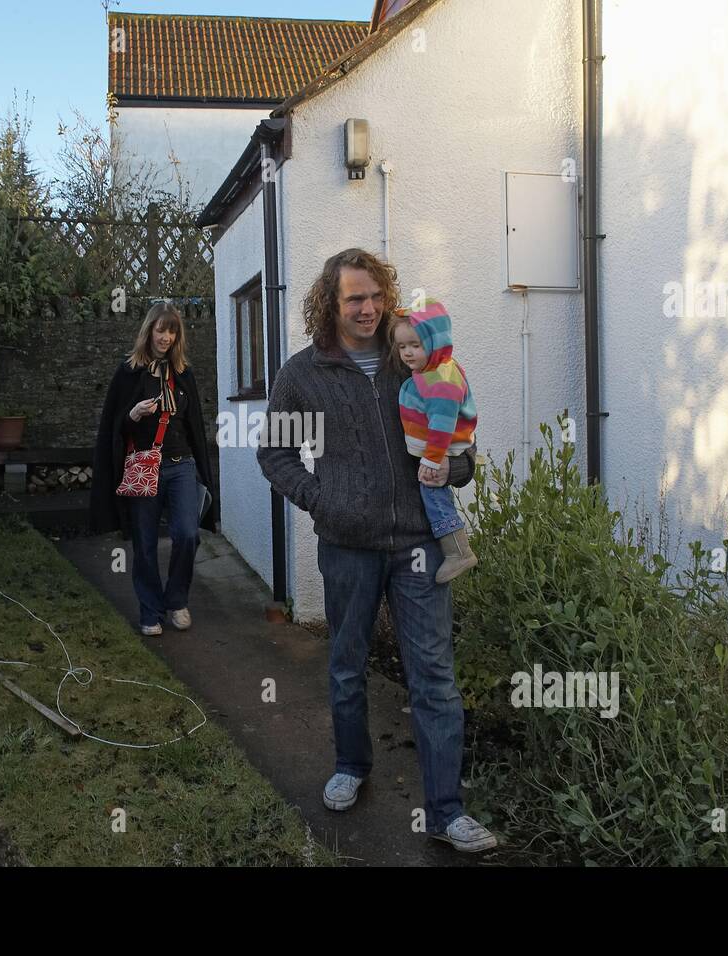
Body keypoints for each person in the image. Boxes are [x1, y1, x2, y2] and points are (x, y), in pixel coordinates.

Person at [256, 248, 496, 853]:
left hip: (420, 544)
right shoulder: (304, 373)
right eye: (353, 298)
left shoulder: (412, 360)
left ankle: (446, 812)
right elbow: (275, 454)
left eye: (375, 297)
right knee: (346, 664)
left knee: (435, 678)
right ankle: (352, 766)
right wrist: (321, 501)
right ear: (331, 305)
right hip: (348, 545)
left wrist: (458, 467)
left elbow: (458, 435)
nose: (367, 308)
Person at [89, 303, 217, 636]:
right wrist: (132, 414)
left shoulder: (183, 373)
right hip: (145, 467)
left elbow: (195, 429)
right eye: (161, 330)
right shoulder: (129, 372)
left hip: (181, 467)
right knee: (144, 543)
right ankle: (150, 610)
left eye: (172, 331)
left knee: (187, 534)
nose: (166, 337)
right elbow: (112, 428)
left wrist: (203, 471)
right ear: (149, 331)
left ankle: (176, 601)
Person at [388, 298, 479, 583]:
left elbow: (441, 424)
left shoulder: (440, 379)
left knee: (434, 495)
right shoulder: (430, 370)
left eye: (415, 345)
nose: (407, 353)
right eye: (402, 346)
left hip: (439, 450)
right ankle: (456, 550)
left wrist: (432, 459)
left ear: (436, 342)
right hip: (435, 449)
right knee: (434, 495)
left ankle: (458, 552)